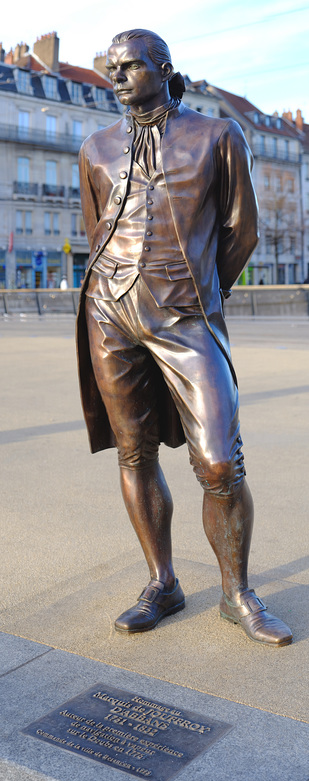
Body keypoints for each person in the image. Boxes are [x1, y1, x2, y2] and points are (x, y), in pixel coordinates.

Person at [77, 28, 292, 646]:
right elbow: (94, 232)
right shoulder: (96, 147)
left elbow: (241, 230)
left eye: (127, 67)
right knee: (133, 452)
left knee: (221, 462)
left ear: (162, 67)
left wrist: (198, 292)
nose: (115, 77)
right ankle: (161, 581)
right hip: (110, 315)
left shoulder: (218, 135)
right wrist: (111, 296)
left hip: (186, 314)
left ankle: (237, 593)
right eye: (109, 68)